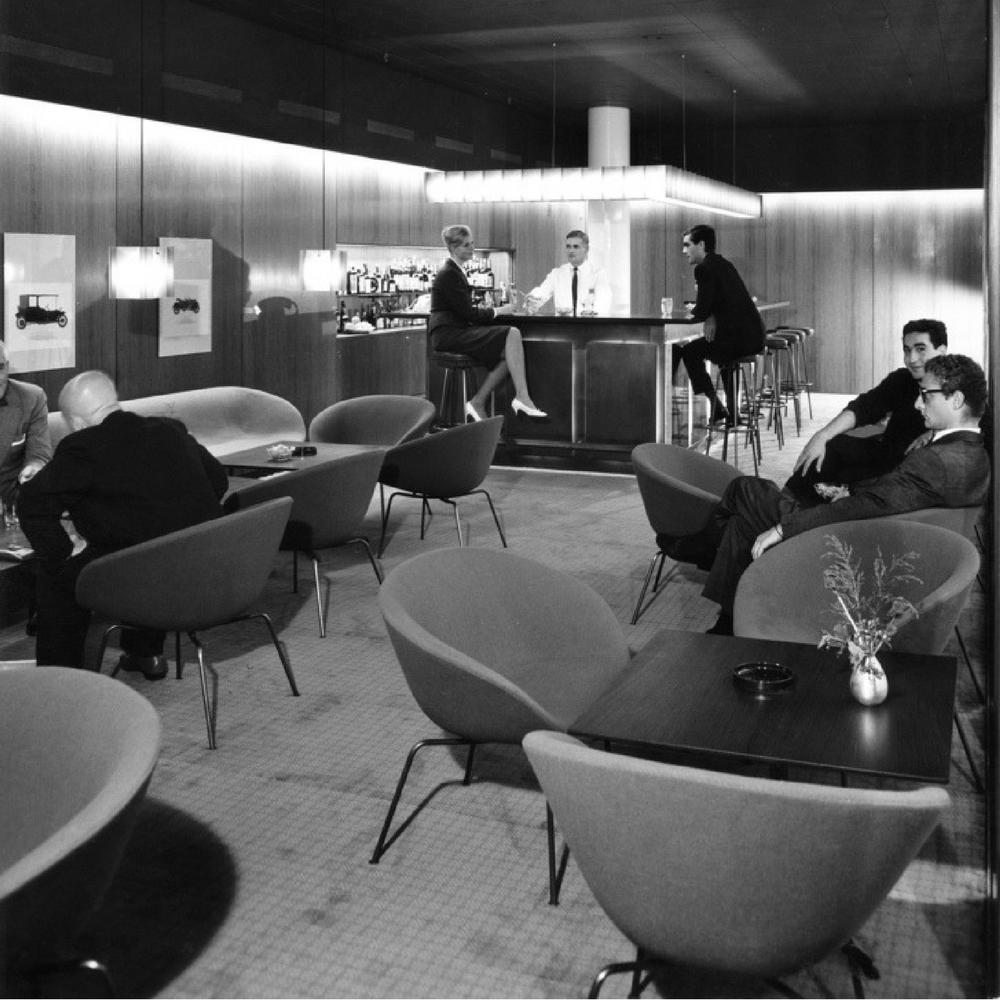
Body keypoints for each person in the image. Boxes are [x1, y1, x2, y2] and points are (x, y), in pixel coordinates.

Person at [678, 354, 990, 635]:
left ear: (956, 399)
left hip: (853, 542)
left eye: (926, 395)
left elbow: (872, 504)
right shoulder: (972, 454)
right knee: (743, 523)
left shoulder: (936, 460)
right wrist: (848, 489)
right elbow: (896, 494)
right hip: (884, 531)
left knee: (746, 490)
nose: (918, 404)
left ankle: (704, 546)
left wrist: (784, 528)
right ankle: (726, 619)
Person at [17, 370, 228, 675]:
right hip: (211, 572)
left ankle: (60, 679)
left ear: (75, 423)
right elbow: (217, 482)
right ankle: (145, 652)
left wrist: (66, 549)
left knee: (56, 573)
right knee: (146, 544)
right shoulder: (170, 429)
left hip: (147, 583)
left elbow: (31, 504)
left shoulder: (82, 447)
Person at [784, 318, 949, 505]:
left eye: (921, 349)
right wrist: (822, 435)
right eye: (907, 350)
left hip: (908, 471)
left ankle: (804, 513)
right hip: (886, 453)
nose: (911, 359)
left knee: (849, 485)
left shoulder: (955, 385)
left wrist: (934, 433)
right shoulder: (902, 379)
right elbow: (864, 407)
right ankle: (787, 502)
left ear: (941, 351)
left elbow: (971, 425)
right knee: (831, 448)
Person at [429, 223, 546, 421]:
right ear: (454, 248)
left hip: (454, 332)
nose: (471, 248)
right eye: (466, 245)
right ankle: (522, 397)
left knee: (509, 352)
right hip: (448, 335)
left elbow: (465, 312)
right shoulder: (449, 273)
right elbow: (468, 314)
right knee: (512, 334)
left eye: (472, 243)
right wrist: (502, 310)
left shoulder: (454, 271)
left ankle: (478, 401)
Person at [674, 224, 764, 425]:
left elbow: (702, 310)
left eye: (687, 245)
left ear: (702, 244)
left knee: (688, 351)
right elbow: (719, 301)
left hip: (737, 340)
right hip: (752, 337)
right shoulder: (723, 263)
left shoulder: (704, 268)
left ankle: (716, 404)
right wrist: (711, 315)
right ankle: (730, 411)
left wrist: (699, 312)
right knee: (719, 353)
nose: (684, 251)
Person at [0, 340, 52, 504]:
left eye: (0, 367)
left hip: (13, 502)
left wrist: (33, 469)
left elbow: (38, 454)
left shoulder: (32, 398)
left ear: (7, 366)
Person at [525, 230, 612, 317]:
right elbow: (542, 292)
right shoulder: (557, 273)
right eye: (568, 246)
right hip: (562, 327)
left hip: (588, 327)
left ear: (587, 249)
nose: (571, 250)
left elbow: (602, 307)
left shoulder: (598, 275)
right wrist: (532, 301)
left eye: (576, 247)